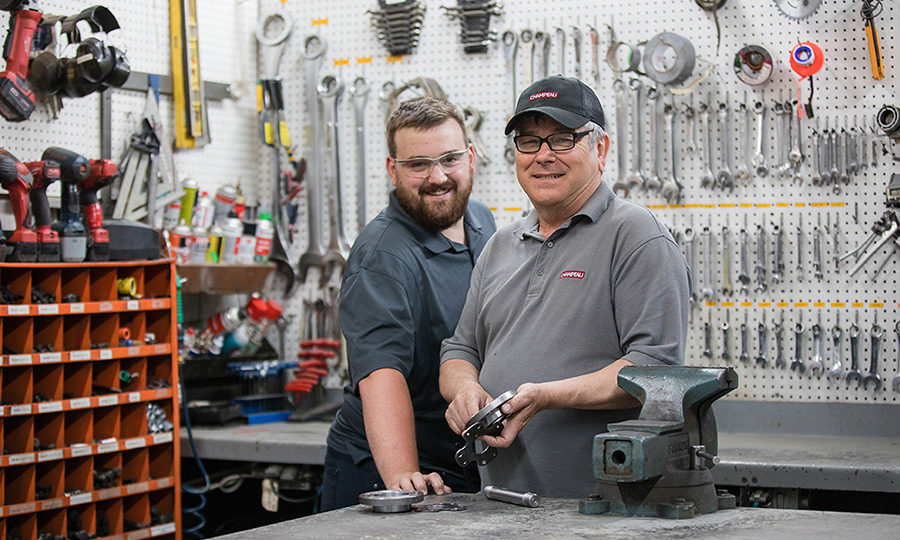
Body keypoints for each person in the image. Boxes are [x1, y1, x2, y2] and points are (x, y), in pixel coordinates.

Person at [439, 75, 691, 499]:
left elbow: (654, 370)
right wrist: (464, 390)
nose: (543, 156)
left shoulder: (635, 235)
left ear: (601, 149)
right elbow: (460, 350)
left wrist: (547, 397)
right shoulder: (501, 245)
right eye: (529, 142)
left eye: (562, 139)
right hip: (503, 500)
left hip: (605, 506)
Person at [320, 96, 497, 511]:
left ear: (470, 157)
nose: (437, 177)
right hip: (391, 465)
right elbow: (382, 372)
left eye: (450, 159)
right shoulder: (383, 257)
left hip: (461, 459)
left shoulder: (482, 222)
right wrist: (402, 475)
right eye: (418, 164)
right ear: (392, 169)